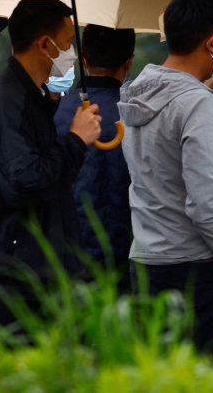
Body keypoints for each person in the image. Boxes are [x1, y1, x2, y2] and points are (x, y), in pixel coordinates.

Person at [0, 0, 102, 351]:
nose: (70, 51)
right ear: (44, 44)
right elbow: (24, 181)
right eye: (68, 42)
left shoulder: (32, 96)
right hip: (14, 285)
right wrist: (75, 140)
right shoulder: (5, 99)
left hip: (39, 279)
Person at [119, 0, 213, 355]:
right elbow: (207, 198)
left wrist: (205, 90)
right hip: (195, 264)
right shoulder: (198, 104)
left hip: (145, 259)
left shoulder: (138, 92)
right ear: (211, 42)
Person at [54, 25, 135, 282]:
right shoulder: (138, 113)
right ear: (129, 62)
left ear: (84, 61)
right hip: (129, 259)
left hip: (70, 260)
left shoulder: (55, 114)